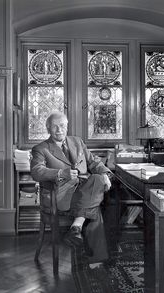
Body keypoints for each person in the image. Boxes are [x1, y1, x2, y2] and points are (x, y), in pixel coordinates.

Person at [31, 111, 113, 269]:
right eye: (54, 127)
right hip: (61, 195)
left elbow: (93, 161)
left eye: (62, 126)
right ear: (48, 128)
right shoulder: (40, 149)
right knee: (94, 208)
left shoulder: (77, 142)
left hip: (84, 191)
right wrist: (61, 173)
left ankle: (76, 226)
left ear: (67, 127)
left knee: (97, 178)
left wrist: (104, 173)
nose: (59, 130)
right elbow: (36, 172)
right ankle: (95, 259)